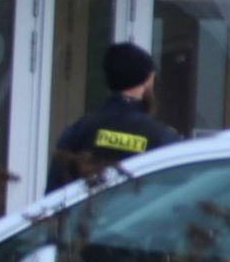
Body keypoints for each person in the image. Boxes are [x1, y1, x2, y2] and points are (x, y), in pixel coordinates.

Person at [46, 42, 181, 193]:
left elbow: (54, 194)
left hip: (89, 209)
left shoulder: (78, 131)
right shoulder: (162, 137)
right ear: (148, 79)